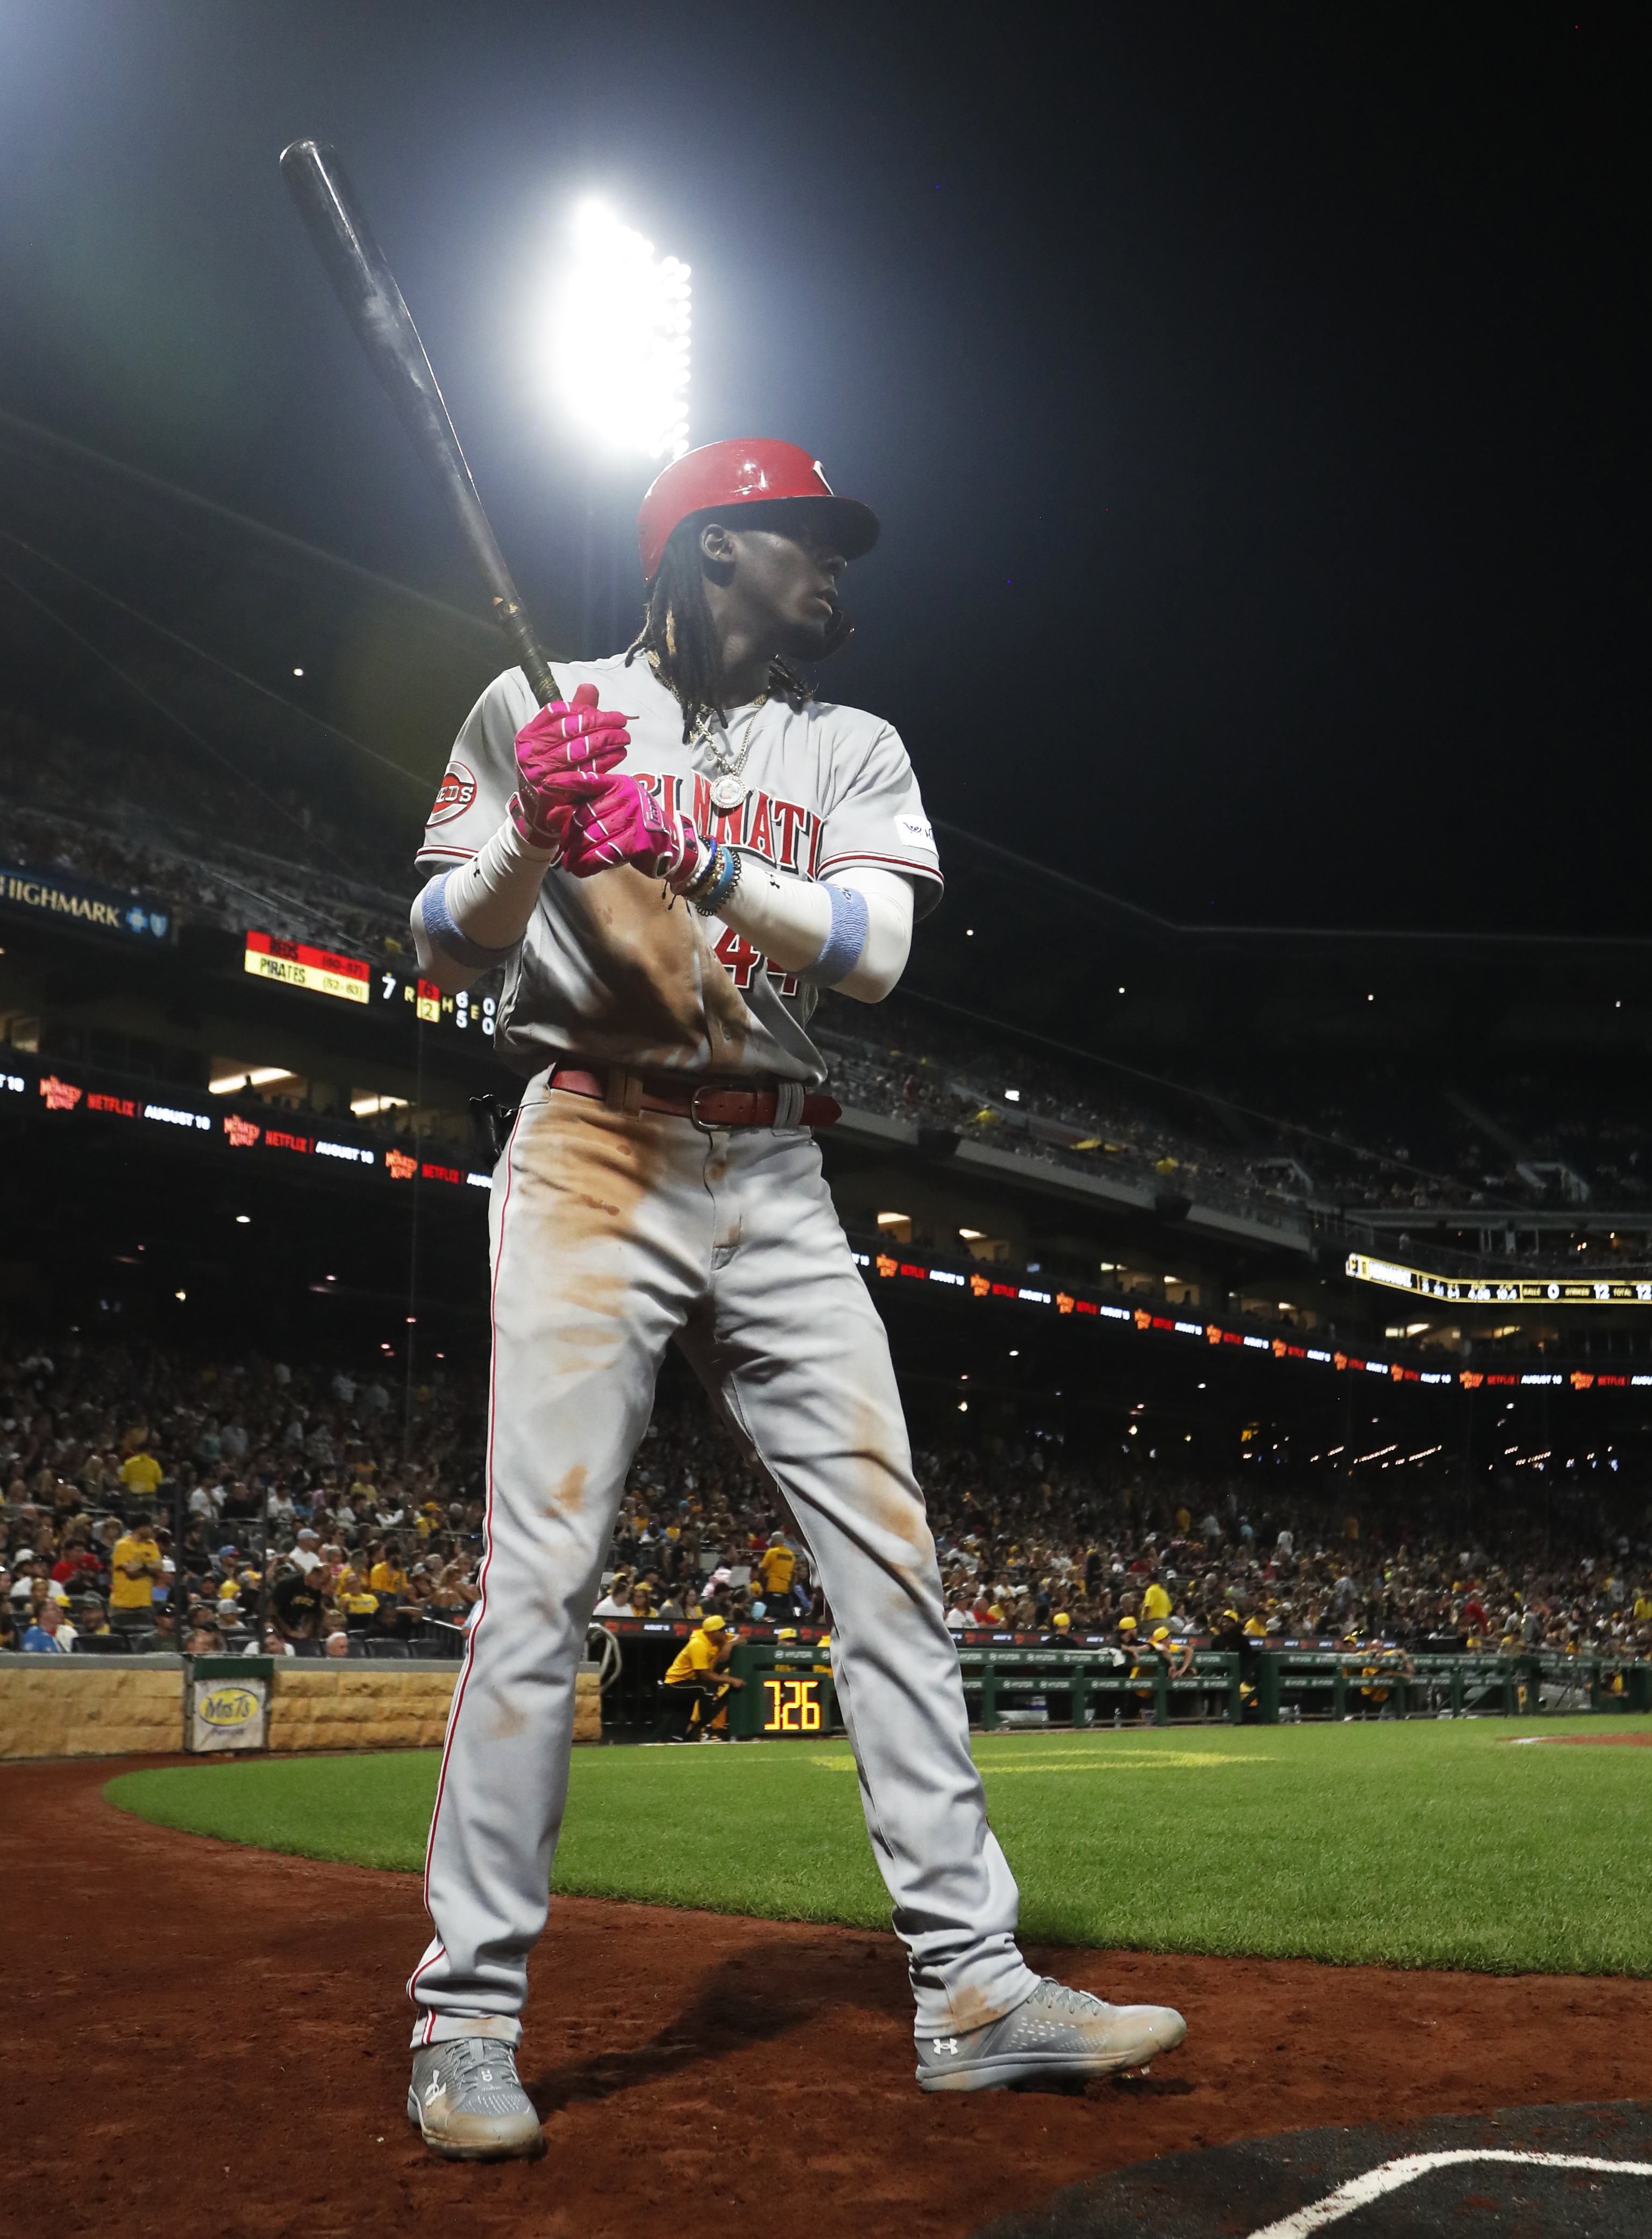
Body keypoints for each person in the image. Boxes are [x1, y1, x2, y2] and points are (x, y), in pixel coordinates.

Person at [400, 439, 1185, 2160]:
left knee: (891, 1564)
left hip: (774, 1171)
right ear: (710, 550)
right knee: (538, 1580)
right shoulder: (540, 705)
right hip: (592, 1143)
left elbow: (876, 952)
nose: (839, 569)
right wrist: (537, 829)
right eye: (806, 542)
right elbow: (439, 945)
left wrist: (687, 850)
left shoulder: (853, 745)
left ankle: (973, 1986)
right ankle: (465, 2015)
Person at [661, 1610, 744, 1741]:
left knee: (681, 1720)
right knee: (707, 1688)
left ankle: (677, 1738)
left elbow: (742, 1638)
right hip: (675, 1685)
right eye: (721, 1630)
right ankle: (708, 1729)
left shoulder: (718, 1639)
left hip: (689, 1685)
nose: (724, 1632)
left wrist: (729, 1645)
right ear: (712, 1632)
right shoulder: (699, 1644)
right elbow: (704, 1674)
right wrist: (730, 1680)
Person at [108, 1515, 162, 1632]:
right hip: (122, 1605)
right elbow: (131, 1572)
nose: (153, 1529)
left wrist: (141, 1566)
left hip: (144, 1604)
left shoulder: (152, 1544)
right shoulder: (123, 1545)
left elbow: (159, 1568)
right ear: (141, 1528)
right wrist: (149, 1569)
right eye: (150, 1526)